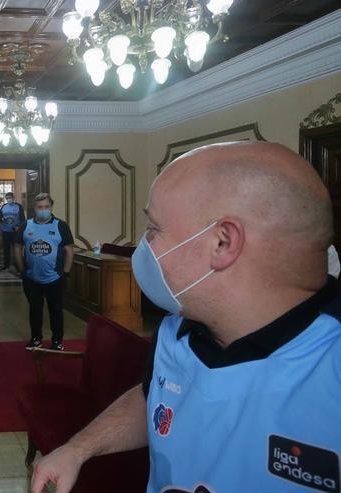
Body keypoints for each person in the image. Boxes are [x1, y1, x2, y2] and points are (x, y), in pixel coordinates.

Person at [31, 142, 341, 493]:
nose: (143, 245)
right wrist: (78, 449)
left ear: (223, 243)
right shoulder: (175, 330)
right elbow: (156, 394)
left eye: (154, 228)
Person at [15, 193, 74, 351]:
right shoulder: (25, 226)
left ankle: (57, 341)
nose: (43, 210)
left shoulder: (61, 226)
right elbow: (17, 247)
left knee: (55, 310)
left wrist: (66, 272)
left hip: (55, 277)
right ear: (34, 208)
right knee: (35, 309)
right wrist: (22, 269)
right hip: (32, 278)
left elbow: (69, 250)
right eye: (40, 207)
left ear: (51, 207)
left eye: (46, 207)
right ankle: (35, 338)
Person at [0, 191, 25, 271]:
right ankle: (6, 265)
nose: (9, 199)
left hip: (16, 231)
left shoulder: (19, 206)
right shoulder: (4, 206)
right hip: (5, 231)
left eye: (10, 198)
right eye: (7, 198)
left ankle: (18, 266)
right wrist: (1, 219)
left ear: (13, 198)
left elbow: (23, 219)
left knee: (17, 249)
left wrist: (19, 227)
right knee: (6, 249)